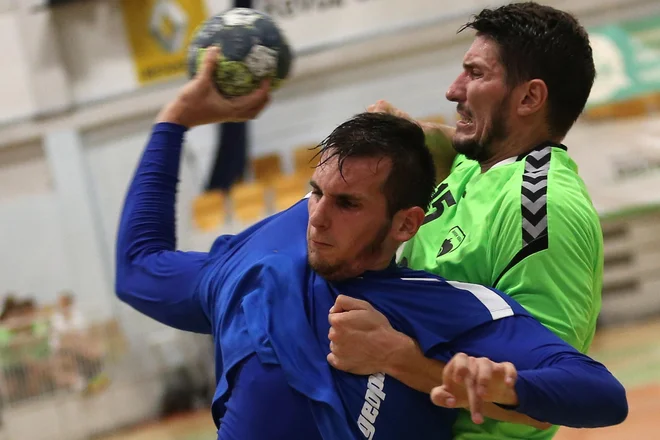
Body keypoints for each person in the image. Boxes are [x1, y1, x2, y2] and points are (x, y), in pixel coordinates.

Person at [114, 47, 627, 440]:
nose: (317, 219)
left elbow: (600, 394)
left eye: (348, 204)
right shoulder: (250, 263)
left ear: (406, 224)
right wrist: (176, 120)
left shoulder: (435, 306)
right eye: (316, 193)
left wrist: (496, 383)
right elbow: (138, 269)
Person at [326, 2, 605, 439]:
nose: (453, 90)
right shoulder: (477, 162)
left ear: (529, 98)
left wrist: (394, 357)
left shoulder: (541, 211)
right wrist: (399, 130)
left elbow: (548, 401)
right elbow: (439, 141)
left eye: (475, 74)